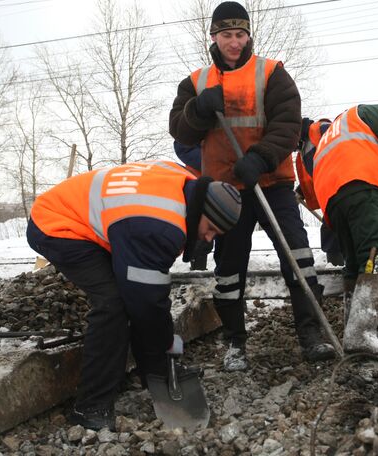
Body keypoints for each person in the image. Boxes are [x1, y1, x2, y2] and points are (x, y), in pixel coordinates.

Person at [168, 1, 336, 371]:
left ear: (248, 36)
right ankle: (235, 343)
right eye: (226, 35)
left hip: (271, 181)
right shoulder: (195, 83)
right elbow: (178, 130)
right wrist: (197, 110)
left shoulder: (272, 73)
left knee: (298, 256)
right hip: (224, 190)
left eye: (240, 34)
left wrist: (260, 157)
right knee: (229, 268)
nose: (234, 42)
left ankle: (312, 335)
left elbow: (288, 122)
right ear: (214, 36)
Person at [26, 160, 242, 431]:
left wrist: (159, 358)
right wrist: (167, 346)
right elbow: (147, 303)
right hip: (57, 223)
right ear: (200, 209)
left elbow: (146, 297)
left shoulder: (185, 185)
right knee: (113, 304)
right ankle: (90, 406)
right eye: (210, 228)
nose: (208, 239)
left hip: (95, 220)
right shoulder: (160, 225)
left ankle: (149, 371)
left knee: (133, 297)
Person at [312, 100, 378, 353]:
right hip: (362, 185)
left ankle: (352, 329)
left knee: (356, 262)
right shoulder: (362, 112)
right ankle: (361, 334)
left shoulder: (329, 136)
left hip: (335, 202)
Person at [296, 117, 344, 267]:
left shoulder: (320, 129)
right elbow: (314, 176)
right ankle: (339, 265)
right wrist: (301, 192)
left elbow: (343, 149)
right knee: (332, 230)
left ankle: (338, 267)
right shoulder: (303, 149)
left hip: (343, 186)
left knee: (333, 230)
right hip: (331, 193)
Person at [173, 140, 212, 270]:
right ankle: (197, 267)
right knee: (200, 229)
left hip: (224, 180)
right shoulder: (195, 125)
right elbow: (183, 146)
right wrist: (214, 162)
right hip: (198, 182)